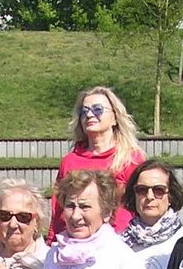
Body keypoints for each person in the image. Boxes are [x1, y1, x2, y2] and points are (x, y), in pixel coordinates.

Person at [49, 86, 145, 239]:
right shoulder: (69, 161)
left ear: (114, 117)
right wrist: (52, 243)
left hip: (121, 242)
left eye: (97, 109)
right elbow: (58, 210)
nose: (89, 115)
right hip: (76, 243)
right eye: (84, 111)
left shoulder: (130, 158)